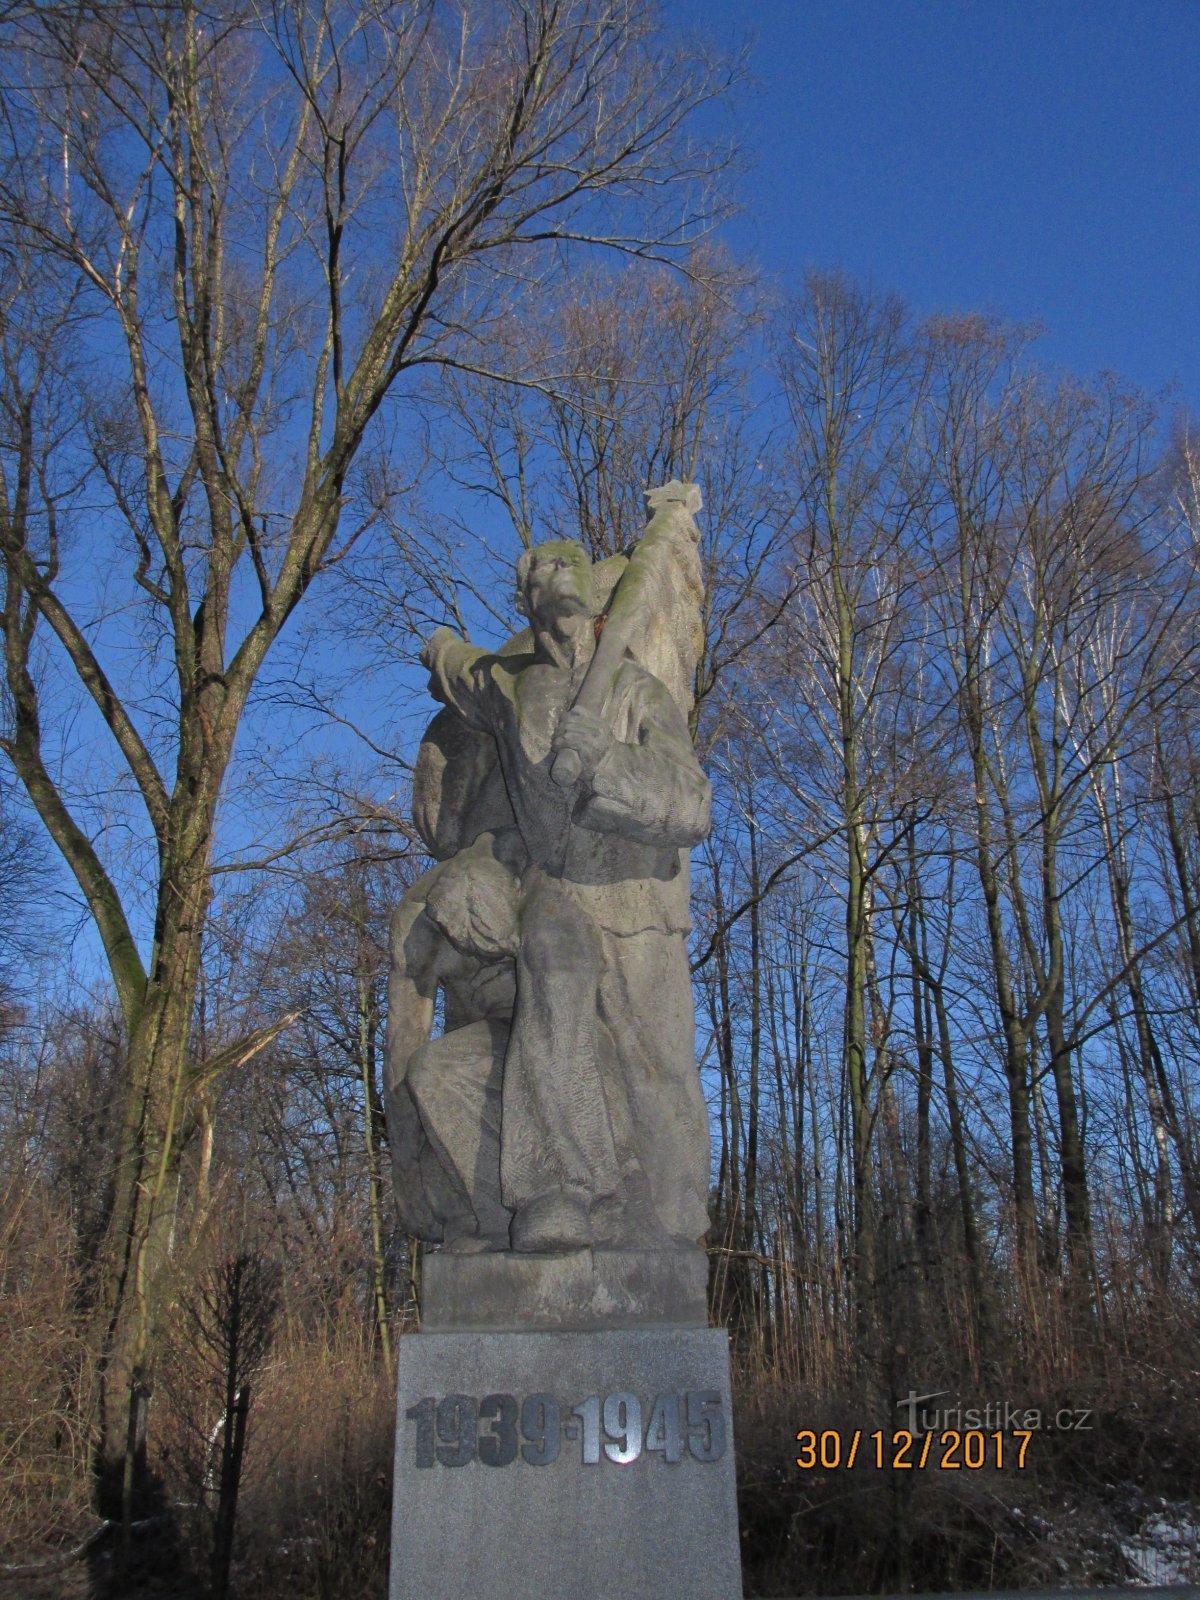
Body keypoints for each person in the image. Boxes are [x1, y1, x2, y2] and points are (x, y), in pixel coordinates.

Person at [393, 535, 712, 1252]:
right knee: (551, 953)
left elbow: (691, 803)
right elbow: (459, 670)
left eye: (568, 563)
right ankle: (559, 1187)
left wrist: (606, 766)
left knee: (657, 1092)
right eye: (537, 567)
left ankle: (653, 1219)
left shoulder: (636, 693)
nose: (553, 572)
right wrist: (437, 645)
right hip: (554, 891)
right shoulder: (511, 685)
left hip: (636, 913)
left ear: (596, 595)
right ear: (526, 599)